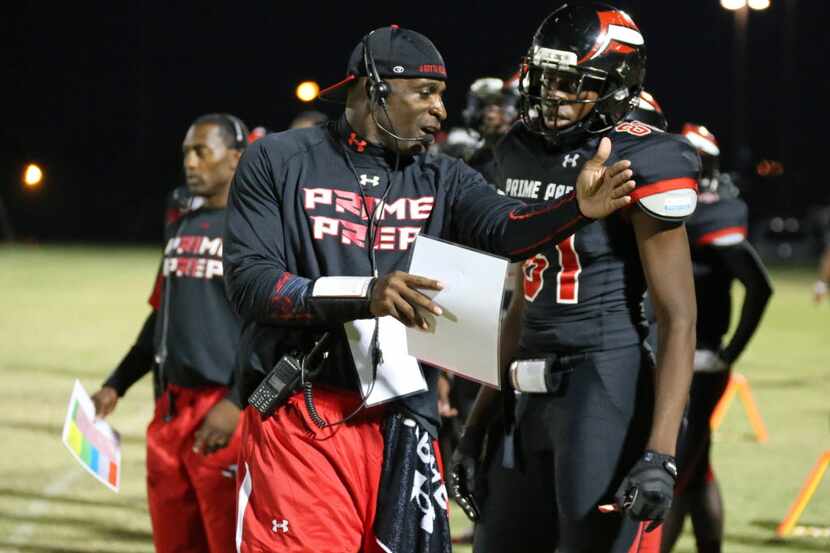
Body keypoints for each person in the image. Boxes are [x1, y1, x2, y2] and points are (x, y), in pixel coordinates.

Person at [224, 24, 636, 553]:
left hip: (405, 418)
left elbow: (508, 227)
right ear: (373, 89)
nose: (441, 110)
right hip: (304, 413)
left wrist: (574, 208)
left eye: (441, 94)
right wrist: (366, 293)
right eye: (425, 93)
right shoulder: (279, 160)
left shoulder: (444, 176)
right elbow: (252, 284)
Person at [449, 4, 700, 552]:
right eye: (547, 78)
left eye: (573, 83)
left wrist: (660, 453)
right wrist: (476, 425)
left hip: (602, 382)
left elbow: (677, 318)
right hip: (524, 385)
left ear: (615, 84)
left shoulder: (642, 156)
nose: (554, 94)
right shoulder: (517, 149)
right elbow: (519, 301)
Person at [91, 113, 248, 553]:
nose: (191, 163)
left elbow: (274, 330)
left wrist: (238, 402)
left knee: (227, 543)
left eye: (203, 151)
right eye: (186, 153)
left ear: (235, 159)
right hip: (170, 411)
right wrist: (117, 384)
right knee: (174, 544)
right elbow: (162, 317)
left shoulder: (255, 232)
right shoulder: (181, 227)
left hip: (223, 414)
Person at [660, 123, 773, 553]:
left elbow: (759, 286)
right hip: (670, 353)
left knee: (671, 469)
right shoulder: (672, 207)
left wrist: (729, 351)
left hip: (697, 360)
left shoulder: (715, 212)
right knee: (696, 469)